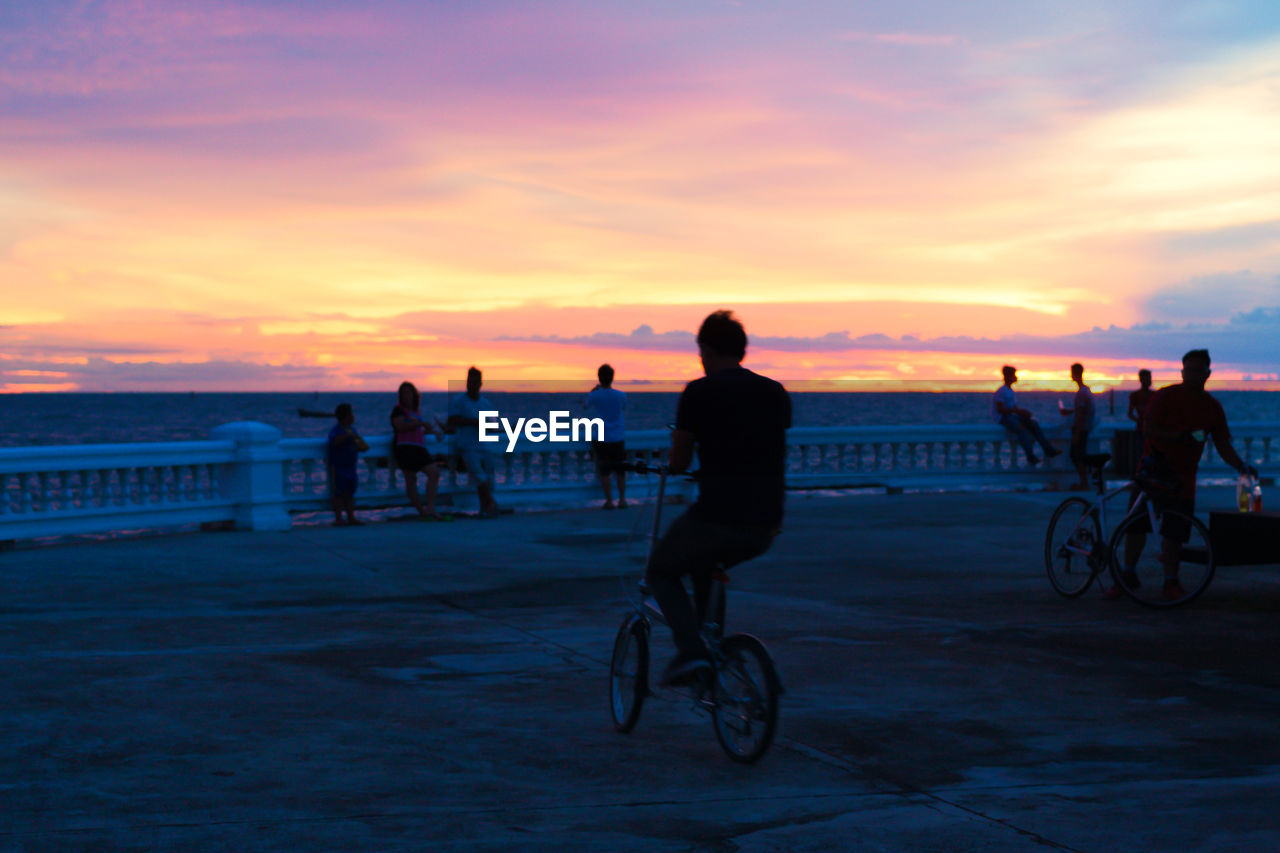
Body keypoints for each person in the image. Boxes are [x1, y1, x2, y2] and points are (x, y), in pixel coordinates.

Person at [646, 311, 791, 686]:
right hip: (767, 521)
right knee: (704, 565)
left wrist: (674, 465)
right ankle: (714, 650)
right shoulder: (775, 392)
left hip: (718, 514)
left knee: (660, 570)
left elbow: (679, 460)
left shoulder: (698, 392)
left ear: (706, 350)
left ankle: (692, 654)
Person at [1107, 349, 1257, 600]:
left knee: (1175, 532)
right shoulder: (1165, 396)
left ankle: (1170, 582)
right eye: (1189, 370)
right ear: (1182, 372)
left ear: (1208, 374)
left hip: (1184, 477)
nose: (1193, 375)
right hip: (1152, 471)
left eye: (1199, 371)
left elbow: (1222, 444)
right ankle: (1127, 575)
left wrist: (1241, 465)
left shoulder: (1212, 408)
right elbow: (1149, 429)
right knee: (1136, 526)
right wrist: (1179, 437)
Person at [447, 366, 500, 517]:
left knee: (488, 476)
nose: (472, 384)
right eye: (470, 381)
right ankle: (491, 504)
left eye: (475, 381)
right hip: (467, 445)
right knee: (479, 476)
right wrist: (473, 422)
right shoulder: (458, 400)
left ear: (480, 383)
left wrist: (486, 424)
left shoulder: (485, 403)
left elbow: (493, 425)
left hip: (484, 444)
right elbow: (452, 419)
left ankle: (485, 509)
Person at [390, 381, 446, 520]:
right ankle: (422, 511)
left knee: (434, 473)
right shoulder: (398, 410)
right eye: (403, 394)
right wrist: (420, 424)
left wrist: (429, 431)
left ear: (414, 395)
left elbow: (415, 429)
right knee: (411, 479)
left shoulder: (416, 412)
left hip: (419, 447)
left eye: (409, 393)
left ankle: (430, 509)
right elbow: (400, 426)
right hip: (405, 447)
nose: (406, 396)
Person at [992, 366, 1060, 466]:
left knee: (1033, 424)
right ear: (1008, 376)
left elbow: (1013, 408)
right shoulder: (1002, 391)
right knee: (1021, 429)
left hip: (1010, 416)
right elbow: (1000, 409)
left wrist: (1023, 413)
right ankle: (1030, 455)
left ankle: (1048, 449)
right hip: (1003, 418)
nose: (1016, 377)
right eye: (1013, 375)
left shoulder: (1009, 391)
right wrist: (1018, 412)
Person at [585, 364, 627, 509]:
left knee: (604, 471)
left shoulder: (594, 395)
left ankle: (609, 501)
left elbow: (586, 405)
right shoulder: (621, 395)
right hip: (618, 437)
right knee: (620, 470)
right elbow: (623, 407)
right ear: (612, 377)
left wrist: (593, 391)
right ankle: (622, 500)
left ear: (599, 378)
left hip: (601, 436)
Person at [327, 403, 368, 526]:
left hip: (351, 467)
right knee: (338, 493)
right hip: (338, 467)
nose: (353, 416)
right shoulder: (336, 430)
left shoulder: (352, 430)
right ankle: (338, 518)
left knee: (350, 492)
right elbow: (334, 441)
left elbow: (360, 445)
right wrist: (347, 436)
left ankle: (351, 517)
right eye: (351, 413)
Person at [1059, 363, 1095, 489]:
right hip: (1084, 428)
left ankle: (1084, 483)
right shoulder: (1086, 391)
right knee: (1079, 456)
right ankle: (1084, 482)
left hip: (1081, 429)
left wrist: (1077, 433)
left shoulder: (1081, 393)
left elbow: (1081, 413)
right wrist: (1069, 411)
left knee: (1077, 456)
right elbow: (1081, 410)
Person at [1127, 369, 1154, 439]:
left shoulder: (1154, 395)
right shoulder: (1135, 395)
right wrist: (1140, 421)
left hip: (1153, 429)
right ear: (1141, 379)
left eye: (1150, 378)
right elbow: (1130, 414)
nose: (1150, 380)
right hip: (1141, 429)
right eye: (1148, 378)